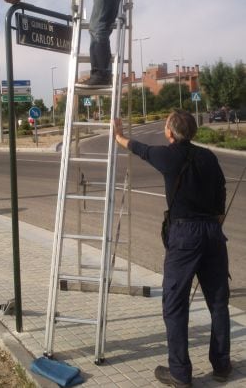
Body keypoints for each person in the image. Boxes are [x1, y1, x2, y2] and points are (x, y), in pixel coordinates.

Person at [114, 110, 231, 387]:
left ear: (170, 133)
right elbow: (222, 189)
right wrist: (216, 219)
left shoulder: (168, 156)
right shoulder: (209, 157)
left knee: (175, 302)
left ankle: (179, 372)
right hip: (213, 233)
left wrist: (118, 136)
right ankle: (222, 365)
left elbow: (139, 148)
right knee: (218, 301)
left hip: (185, 235)